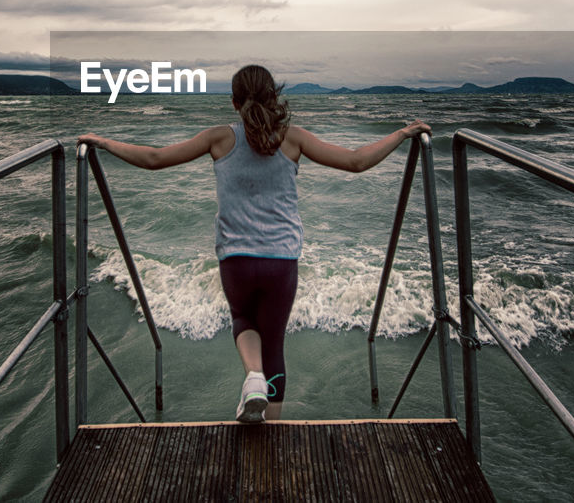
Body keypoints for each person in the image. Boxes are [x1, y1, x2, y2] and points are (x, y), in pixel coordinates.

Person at [77, 64, 430, 423]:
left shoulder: (218, 138)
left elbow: (154, 159)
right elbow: (356, 162)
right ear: (273, 96)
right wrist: (402, 133)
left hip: (236, 260)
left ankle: (253, 376)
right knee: (274, 344)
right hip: (281, 261)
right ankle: (271, 427)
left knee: (242, 318)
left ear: (233, 102)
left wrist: (104, 142)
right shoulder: (294, 139)